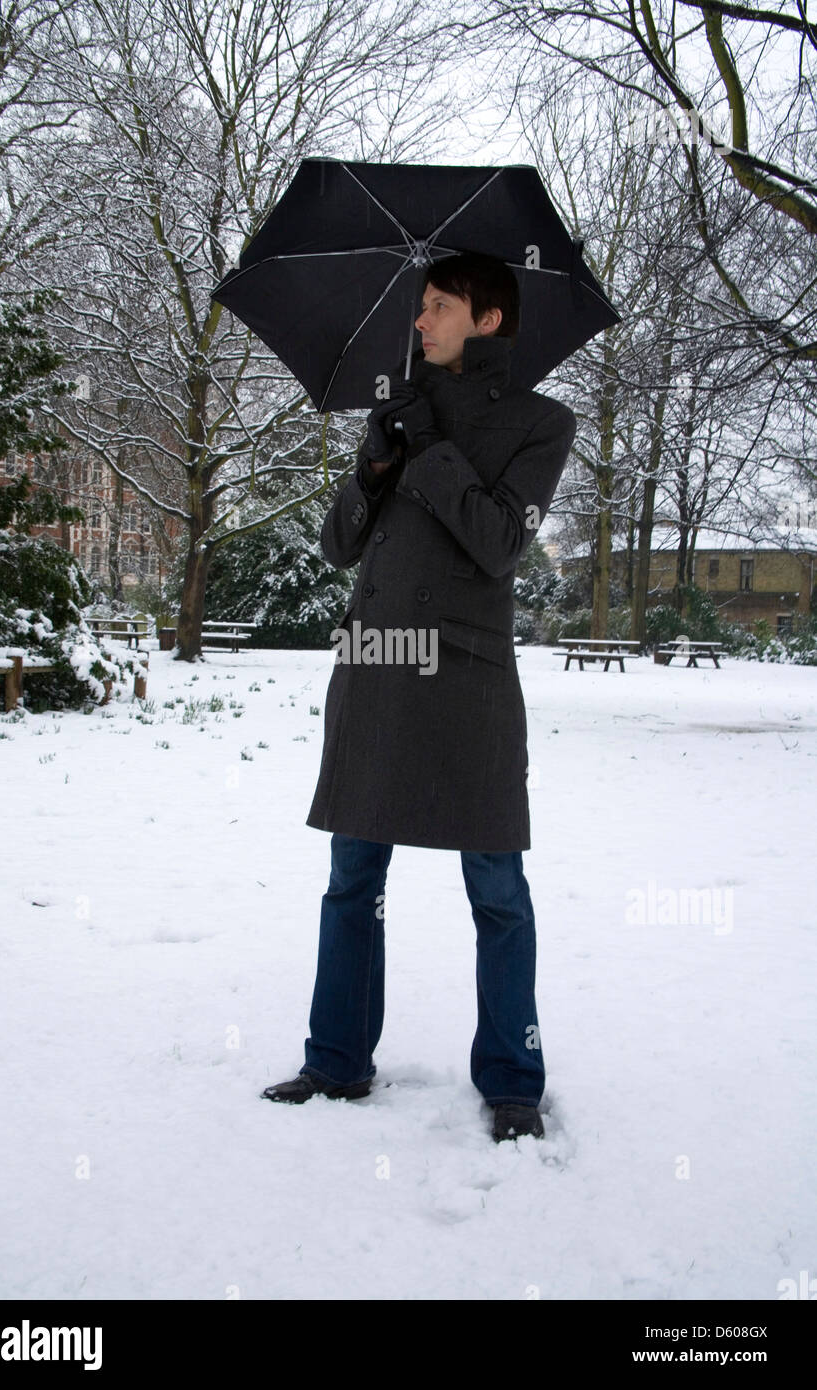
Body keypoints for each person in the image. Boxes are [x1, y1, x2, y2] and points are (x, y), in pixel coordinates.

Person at [261, 251, 577, 1143]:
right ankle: (335, 1060)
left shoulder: (541, 423)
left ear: (487, 320)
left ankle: (513, 1080)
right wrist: (374, 465)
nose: (419, 321)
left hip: (467, 679)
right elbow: (336, 547)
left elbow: (498, 543)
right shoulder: (393, 410)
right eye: (420, 306)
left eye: (438, 306)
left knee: (498, 890)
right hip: (374, 667)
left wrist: (432, 451)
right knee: (351, 880)